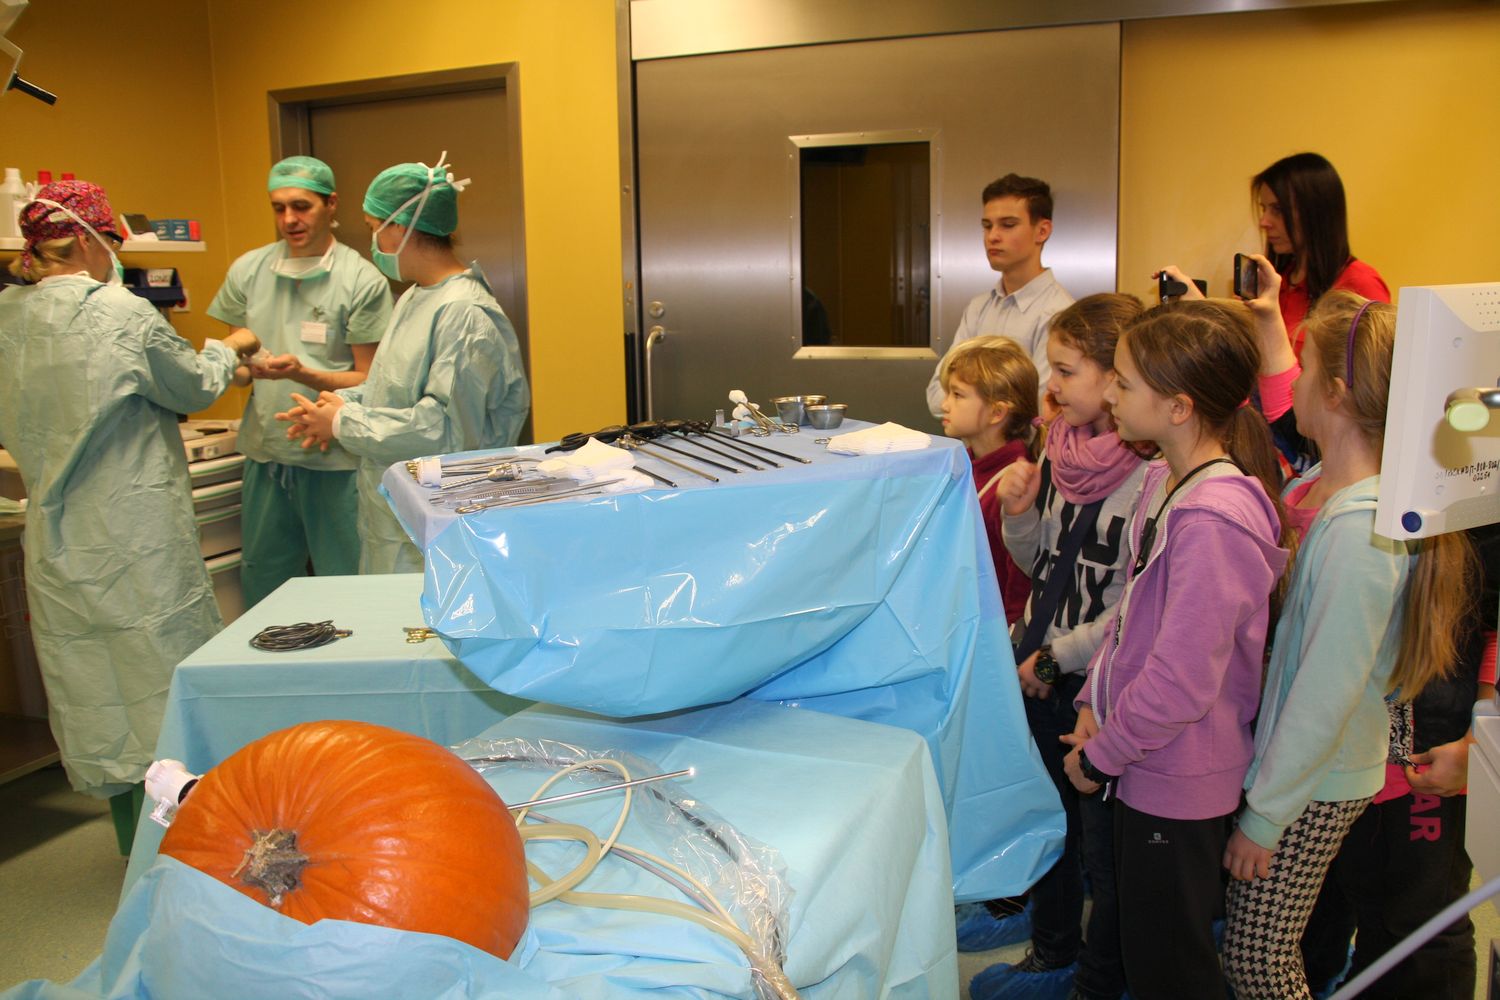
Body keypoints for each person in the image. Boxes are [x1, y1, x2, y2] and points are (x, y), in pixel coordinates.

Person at [1219, 282, 1476, 1000]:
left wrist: (1265, 816)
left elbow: (1326, 692)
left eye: (1301, 369)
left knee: (1257, 959)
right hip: (1307, 771)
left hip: (1313, 781)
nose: (1287, 383)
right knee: (1262, 951)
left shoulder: (1361, 529)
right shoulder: (1329, 494)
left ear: (1334, 393)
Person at [0, 181, 259, 817]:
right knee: (160, 674)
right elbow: (192, 386)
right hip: (134, 535)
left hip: (58, 536)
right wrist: (230, 348)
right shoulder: (120, 313)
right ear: (89, 241)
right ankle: (192, 821)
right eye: (112, 242)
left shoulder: (9, 316)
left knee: (92, 681)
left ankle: (130, 831)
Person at [1060, 299, 1290, 1000]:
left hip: (1177, 775)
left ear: (1179, 407)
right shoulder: (1165, 481)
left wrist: (1101, 756)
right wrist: (1093, 701)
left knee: (1171, 968)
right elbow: (1131, 620)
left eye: (1124, 382)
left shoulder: (1213, 518)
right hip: (1142, 758)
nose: (1109, 394)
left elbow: (1183, 678)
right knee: (1143, 942)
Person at [968, 295, 1148, 1000]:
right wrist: (1018, 515)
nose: (1052, 386)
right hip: (1038, 656)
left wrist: (1057, 659)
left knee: (1097, 844)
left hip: (1092, 680)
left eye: (1067, 371)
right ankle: (1050, 942)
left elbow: (1133, 608)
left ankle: (1088, 968)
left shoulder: (1147, 475)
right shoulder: (1059, 446)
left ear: (1116, 377)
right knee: (1045, 814)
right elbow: (1040, 561)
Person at [278, 153, 530, 574]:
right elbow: (390, 387)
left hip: (440, 523)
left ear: (400, 226)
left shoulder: (464, 314)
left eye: (373, 228)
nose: (373, 241)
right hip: (395, 518)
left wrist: (343, 424)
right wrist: (335, 407)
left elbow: (446, 431)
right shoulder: (415, 296)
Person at [1300, 524, 1497, 999]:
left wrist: (1478, 737)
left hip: (1433, 747)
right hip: (1360, 749)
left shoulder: (1476, 506)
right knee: (1370, 905)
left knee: (1424, 923)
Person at [207, 156, 393, 608]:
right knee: (265, 579)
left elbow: (369, 378)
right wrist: (239, 370)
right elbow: (233, 362)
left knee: (346, 581)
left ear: (331, 204)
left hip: (335, 458)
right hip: (268, 452)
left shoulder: (360, 280)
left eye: (301, 206)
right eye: (279, 207)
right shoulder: (248, 271)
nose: (289, 219)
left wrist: (301, 373)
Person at [925, 174, 1073, 418]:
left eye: (1008, 225)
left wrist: (966, 404)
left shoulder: (1060, 315)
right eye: (987, 225)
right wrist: (986, 410)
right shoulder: (978, 308)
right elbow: (936, 395)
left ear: (1042, 231)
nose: (993, 236)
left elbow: (1041, 409)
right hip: (972, 444)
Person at [937, 335, 1039, 624]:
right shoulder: (968, 465)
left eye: (957, 395)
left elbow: (1018, 582)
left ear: (997, 412)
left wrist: (1007, 639)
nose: (944, 405)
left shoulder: (1014, 484)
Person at [1252, 153, 1390, 359]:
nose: (1264, 222)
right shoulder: (1279, 280)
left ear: (1315, 212)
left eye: (1278, 210)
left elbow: (1374, 370)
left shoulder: (1359, 284)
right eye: (1264, 209)